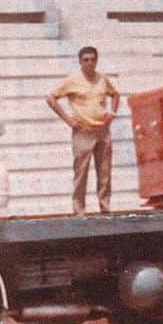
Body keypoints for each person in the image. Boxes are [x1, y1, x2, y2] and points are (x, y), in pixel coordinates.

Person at [46, 46, 119, 214]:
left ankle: (105, 207)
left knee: (105, 172)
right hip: (83, 131)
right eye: (86, 60)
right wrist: (68, 120)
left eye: (93, 59)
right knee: (81, 172)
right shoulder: (73, 80)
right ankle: (79, 210)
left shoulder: (102, 79)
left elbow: (115, 94)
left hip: (102, 130)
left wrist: (112, 113)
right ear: (80, 62)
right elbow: (51, 98)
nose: (90, 63)